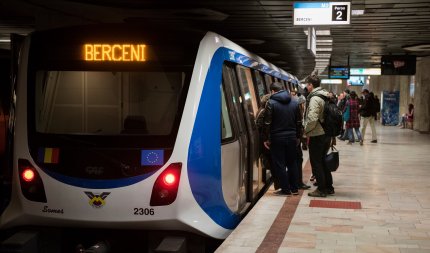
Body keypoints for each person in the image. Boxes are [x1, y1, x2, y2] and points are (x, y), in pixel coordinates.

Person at [263, 82, 302, 196]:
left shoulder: (271, 103)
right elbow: (298, 122)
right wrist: (298, 136)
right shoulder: (295, 102)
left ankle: (285, 189)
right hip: (292, 137)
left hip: (277, 138)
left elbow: (267, 122)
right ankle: (294, 188)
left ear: (273, 91)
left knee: (280, 164)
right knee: (292, 163)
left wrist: (266, 138)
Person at [303, 74, 333, 198]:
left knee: (316, 162)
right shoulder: (325, 95)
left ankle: (321, 189)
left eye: (307, 84)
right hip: (326, 133)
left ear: (311, 85)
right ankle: (329, 187)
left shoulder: (315, 98)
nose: (306, 87)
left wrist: (306, 130)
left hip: (318, 134)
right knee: (323, 161)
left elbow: (312, 118)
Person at [256, 93, 279, 189]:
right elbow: (261, 125)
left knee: (271, 160)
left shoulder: (260, 110)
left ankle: (277, 181)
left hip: (263, 139)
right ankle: (277, 182)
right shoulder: (264, 111)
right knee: (272, 161)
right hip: (264, 141)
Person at [291, 91, 311, 190]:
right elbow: (298, 125)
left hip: (293, 138)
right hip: (294, 139)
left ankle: (296, 182)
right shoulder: (296, 110)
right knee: (297, 160)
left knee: (297, 160)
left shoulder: (295, 108)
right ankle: (297, 183)